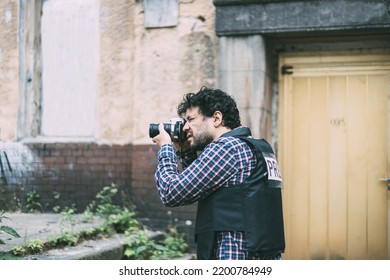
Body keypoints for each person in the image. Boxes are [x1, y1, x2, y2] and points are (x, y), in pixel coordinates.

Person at [152, 86, 285, 260]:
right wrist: (185, 151)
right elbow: (207, 187)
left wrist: (166, 147)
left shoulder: (227, 148)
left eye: (190, 119)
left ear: (216, 118)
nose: (185, 128)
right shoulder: (257, 147)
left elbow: (171, 192)